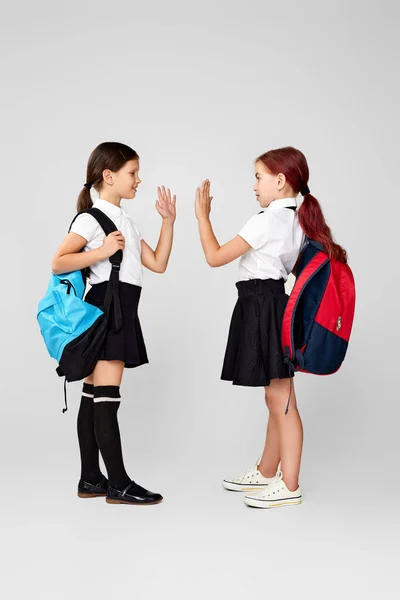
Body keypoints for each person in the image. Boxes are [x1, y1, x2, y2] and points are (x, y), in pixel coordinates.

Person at [195, 146, 347, 509]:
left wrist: (202, 216)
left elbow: (215, 257)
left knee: (282, 399)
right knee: (275, 395)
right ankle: (266, 471)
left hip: (263, 305)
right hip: (271, 304)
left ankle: (289, 484)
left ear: (280, 182)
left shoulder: (265, 220)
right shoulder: (299, 221)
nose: (254, 186)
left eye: (259, 177)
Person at [52, 141, 176, 505]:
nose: (138, 180)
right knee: (106, 397)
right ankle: (118, 483)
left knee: (93, 397)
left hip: (121, 307)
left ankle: (91, 478)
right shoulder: (91, 219)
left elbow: (158, 263)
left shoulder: (128, 221)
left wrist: (168, 222)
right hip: (107, 309)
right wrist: (102, 251)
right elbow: (58, 262)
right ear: (109, 176)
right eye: (132, 173)